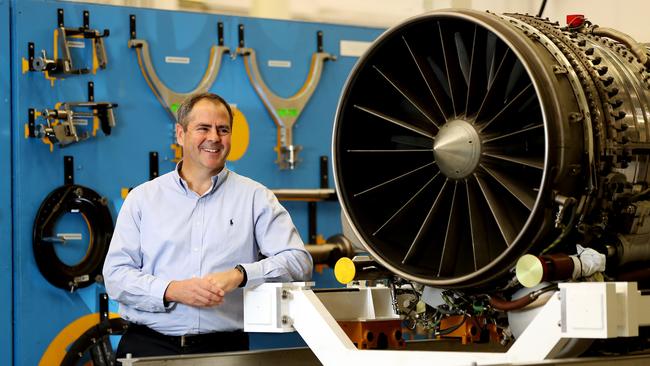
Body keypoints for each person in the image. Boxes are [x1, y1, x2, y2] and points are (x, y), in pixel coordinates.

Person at [103, 92, 313, 358]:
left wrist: (241, 274)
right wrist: (172, 291)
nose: (214, 138)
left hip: (224, 351)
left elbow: (298, 262)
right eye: (203, 128)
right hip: (148, 348)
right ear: (180, 134)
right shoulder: (143, 198)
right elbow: (116, 276)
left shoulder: (255, 197)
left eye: (222, 129)